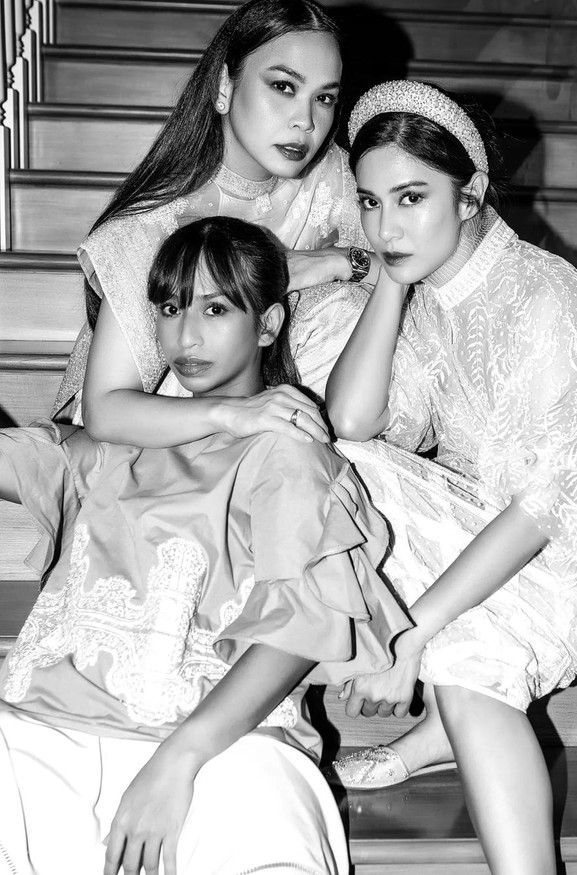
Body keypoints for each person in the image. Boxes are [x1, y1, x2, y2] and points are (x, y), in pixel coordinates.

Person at [324, 80, 577, 875]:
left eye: (412, 198)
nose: (385, 227)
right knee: (336, 465)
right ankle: (446, 727)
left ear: (471, 195)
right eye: (370, 202)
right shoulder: (427, 291)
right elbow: (353, 421)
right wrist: (390, 280)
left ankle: (462, 738)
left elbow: (548, 509)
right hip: (501, 522)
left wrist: (410, 630)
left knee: (465, 653)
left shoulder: (543, 293)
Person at [0, 216, 410, 875]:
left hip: (223, 748)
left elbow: (301, 624)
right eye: (170, 308)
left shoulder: (284, 451)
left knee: (271, 837)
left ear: (267, 324)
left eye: (215, 309)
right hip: (38, 733)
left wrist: (180, 758)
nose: (185, 336)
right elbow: (25, 458)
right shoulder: (116, 442)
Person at [53, 0, 379, 441]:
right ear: (224, 86)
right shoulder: (155, 225)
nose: (306, 122)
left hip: (298, 434)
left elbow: (419, 279)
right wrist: (237, 413)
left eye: (324, 98)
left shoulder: (332, 177)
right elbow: (106, 411)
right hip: (169, 443)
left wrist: (336, 262)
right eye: (283, 87)